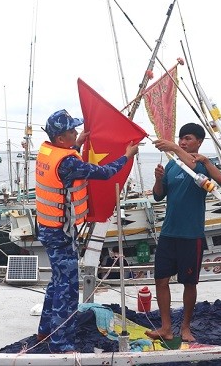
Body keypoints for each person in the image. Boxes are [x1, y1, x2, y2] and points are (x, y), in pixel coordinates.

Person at [35, 109, 139, 353]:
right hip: (61, 233)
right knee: (68, 289)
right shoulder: (68, 162)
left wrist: (77, 143)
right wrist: (126, 156)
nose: (76, 132)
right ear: (61, 138)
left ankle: (45, 330)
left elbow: (64, 158)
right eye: (72, 130)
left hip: (47, 227)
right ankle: (62, 343)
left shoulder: (48, 151)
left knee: (57, 281)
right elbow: (104, 173)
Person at [146, 123, 221, 343]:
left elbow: (194, 166)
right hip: (169, 233)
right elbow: (159, 196)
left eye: (187, 138)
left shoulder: (202, 164)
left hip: (191, 235)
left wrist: (172, 147)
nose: (182, 142)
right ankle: (166, 327)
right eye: (180, 139)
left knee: (189, 283)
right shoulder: (172, 165)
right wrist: (159, 179)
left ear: (199, 141)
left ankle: (186, 327)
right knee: (161, 279)